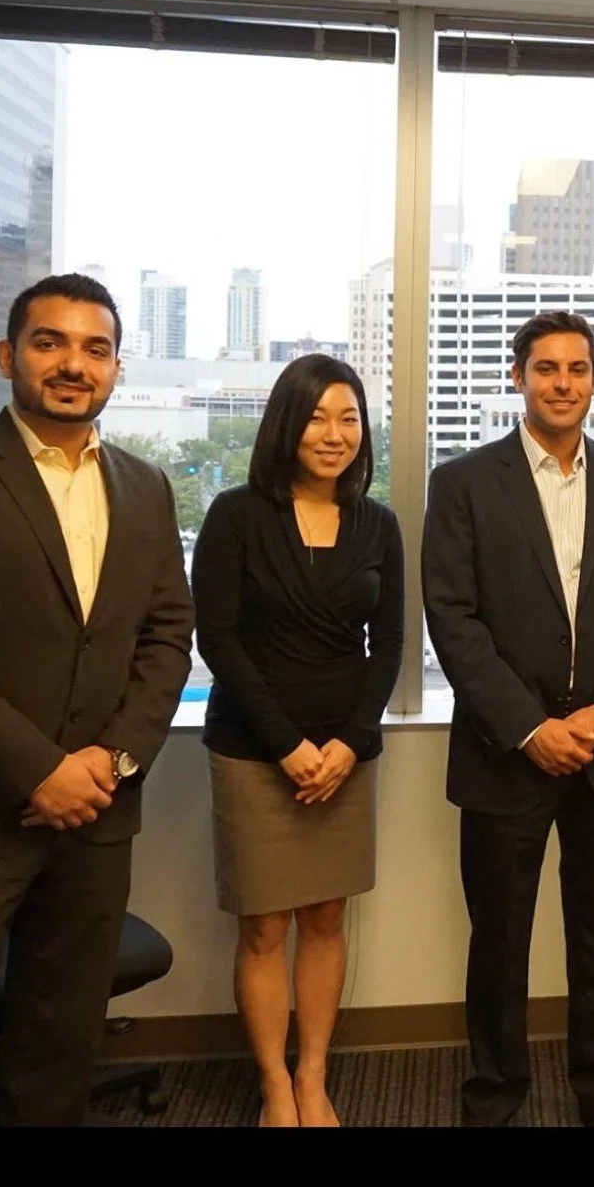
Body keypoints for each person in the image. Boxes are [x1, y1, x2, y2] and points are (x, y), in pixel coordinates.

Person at [0, 274, 194, 1126]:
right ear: (7, 356)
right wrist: (38, 772)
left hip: (97, 817)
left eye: (95, 349)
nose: (72, 365)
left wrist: (111, 760)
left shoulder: (145, 488)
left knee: (57, 1054)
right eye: (49, 342)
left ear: (116, 370)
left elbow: (168, 636)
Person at [422, 311, 594, 1128]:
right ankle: (496, 1096)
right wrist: (531, 727)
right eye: (544, 369)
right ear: (517, 377)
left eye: (576, 369)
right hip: (507, 755)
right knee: (499, 944)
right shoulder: (463, 484)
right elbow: (452, 619)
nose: (561, 383)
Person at [190, 354, 403, 1129]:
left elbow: (390, 646)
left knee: (324, 920)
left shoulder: (378, 523)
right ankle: (273, 1086)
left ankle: (313, 1078)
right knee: (262, 926)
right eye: (318, 417)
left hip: (345, 760)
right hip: (254, 753)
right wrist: (286, 745)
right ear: (287, 422)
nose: (334, 434)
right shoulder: (235, 515)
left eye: (349, 419)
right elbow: (217, 638)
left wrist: (350, 742)